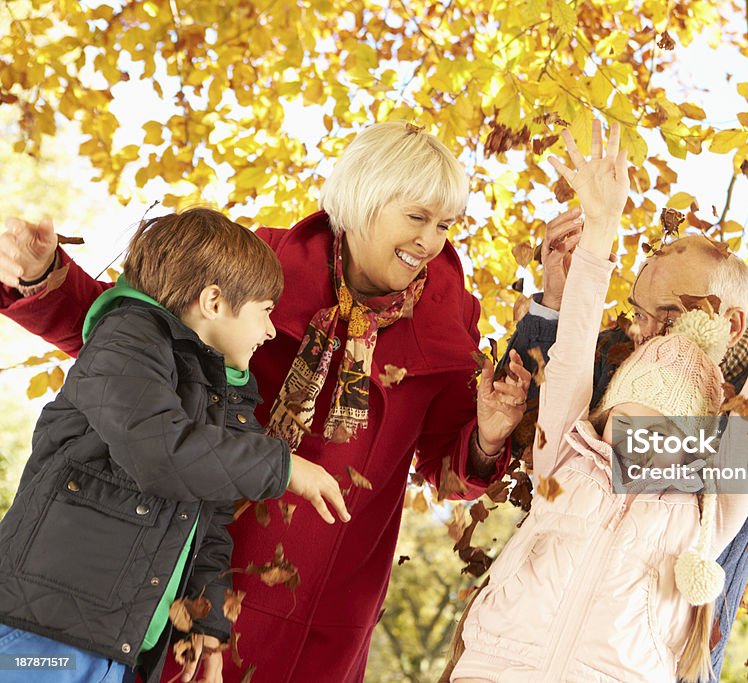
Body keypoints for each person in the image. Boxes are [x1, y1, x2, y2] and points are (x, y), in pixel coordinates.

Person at [0, 122, 531, 682]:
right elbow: (137, 345)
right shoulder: (259, 267)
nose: (431, 241)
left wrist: (489, 435)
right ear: (360, 201)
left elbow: (448, 474)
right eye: (417, 217)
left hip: (329, 599)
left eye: (445, 224)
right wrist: (42, 279)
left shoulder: (449, 323)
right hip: (197, 561)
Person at [449, 121, 748, 682]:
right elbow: (570, 351)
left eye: (670, 318)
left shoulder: (707, 508)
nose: (647, 335)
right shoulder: (569, 450)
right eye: (640, 317)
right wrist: (600, 227)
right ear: (604, 414)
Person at [0, 209, 348, 683]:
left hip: (115, 645)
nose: (270, 330)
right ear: (213, 301)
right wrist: (285, 467)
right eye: (266, 311)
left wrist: (205, 623)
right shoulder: (127, 339)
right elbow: (159, 453)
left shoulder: (224, 398)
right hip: (42, 628)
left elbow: (208, 526)